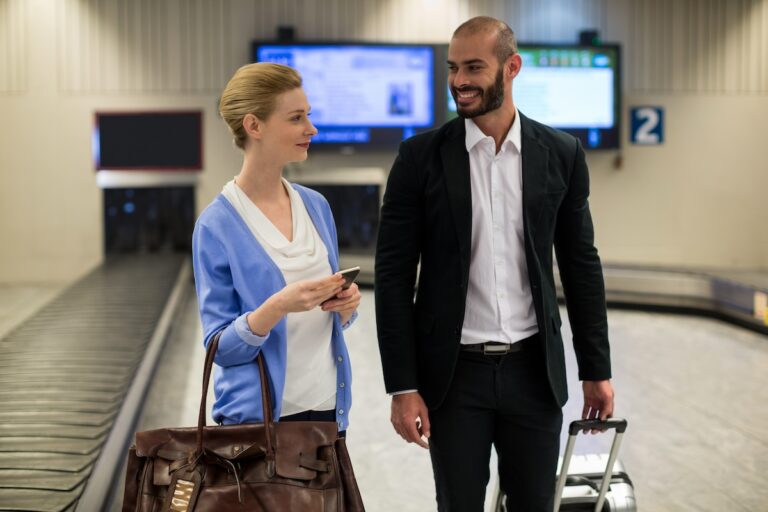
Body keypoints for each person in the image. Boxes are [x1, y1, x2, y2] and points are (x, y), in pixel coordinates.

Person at [375, 16, 614, 511]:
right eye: (453, 68)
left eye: (474, 67)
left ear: (511, 67)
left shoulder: (561, 154)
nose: (459, 80)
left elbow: (580, 264)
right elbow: (394, 277)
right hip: (453, 377)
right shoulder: (419, 159)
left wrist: (596, 368)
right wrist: (403, 385)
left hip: (534, 374)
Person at [192, 62, 361, 433]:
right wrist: (279, 306)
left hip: (329, 410)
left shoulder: (316, 206)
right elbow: (220, 349)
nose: (311, 129)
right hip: (260, 425)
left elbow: (329, 319)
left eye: (309, 116)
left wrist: (346, 306)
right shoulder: (216, 225)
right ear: (254, 126)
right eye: (297, 118)